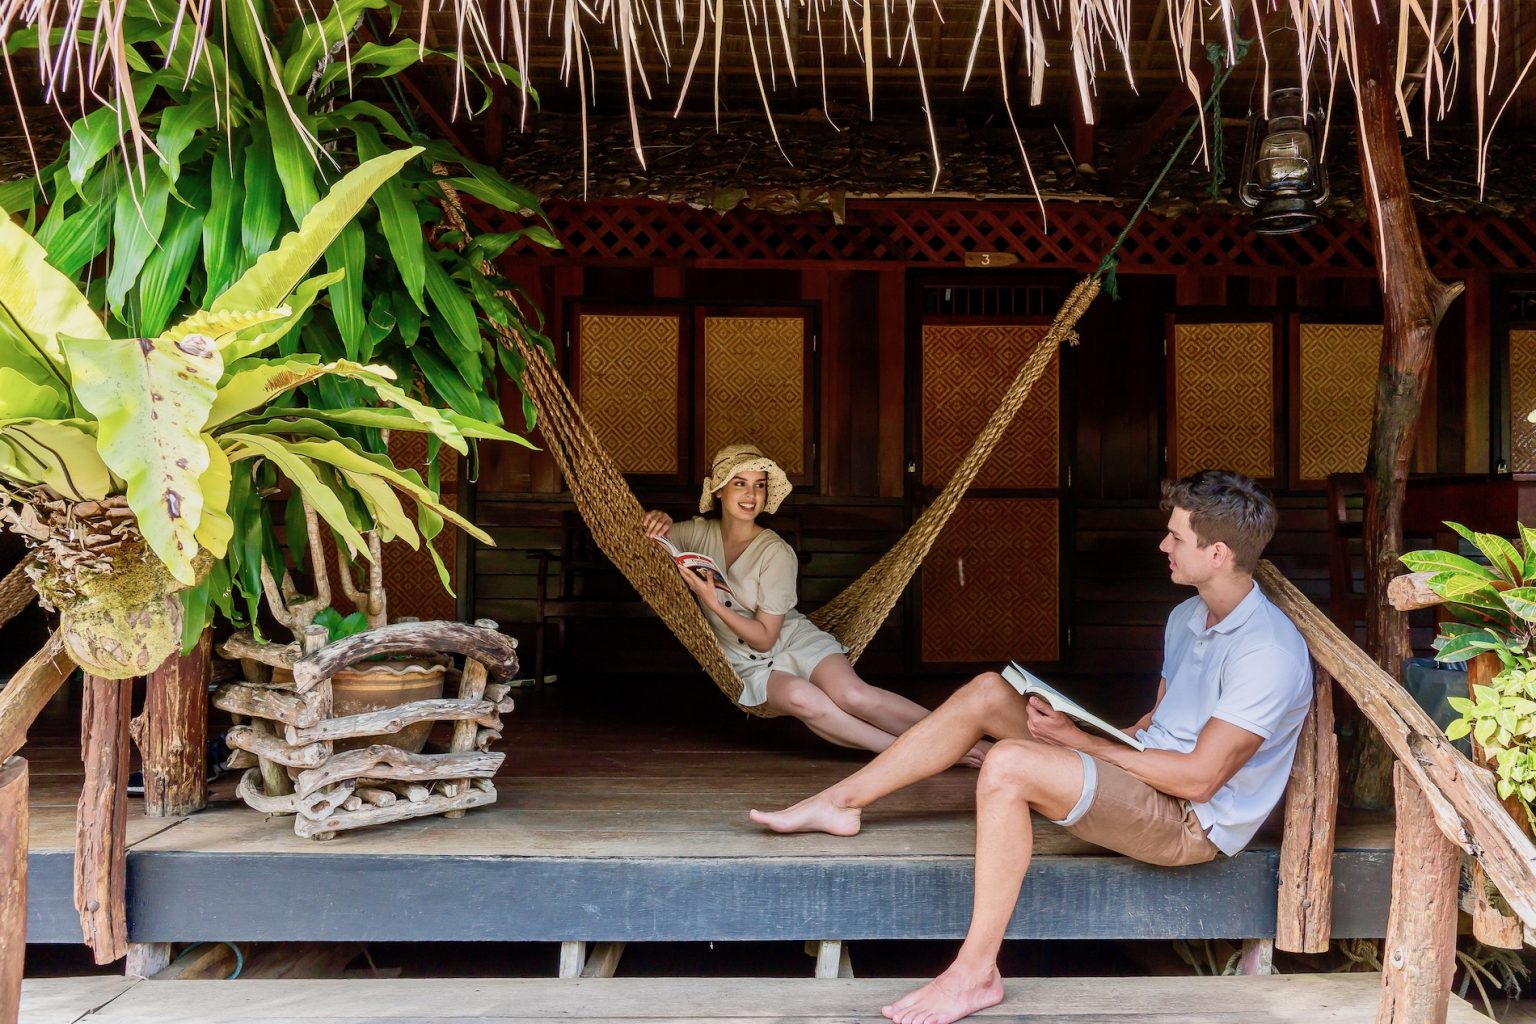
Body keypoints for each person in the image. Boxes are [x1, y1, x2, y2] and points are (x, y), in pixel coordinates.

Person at [749, 469, 1314, 1024]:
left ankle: (975, 974)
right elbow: (1159, 720)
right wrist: (1089, 729)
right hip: (1145, 772)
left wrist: (1081, 742)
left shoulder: (1266, 654)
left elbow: (1198, 780)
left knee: (1009, 765)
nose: (1163, 544)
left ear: (1218, 555)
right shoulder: (1189, 615)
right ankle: (841, 802)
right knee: (989, 692)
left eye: (1177, 537)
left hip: (1189, 819)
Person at [643, 443, 986, 763]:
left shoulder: (776, 552)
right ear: (719, 491)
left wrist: (712, 603)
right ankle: (918, 755)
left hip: (790, 639)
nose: (751, 495)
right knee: (804, 699)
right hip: (747, 665)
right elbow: (655, 534)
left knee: (854, 696)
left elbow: (765, 637)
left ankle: (964, 740)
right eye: (740, 484)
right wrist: (660, 516)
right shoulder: (698, 534)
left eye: (760, 485)